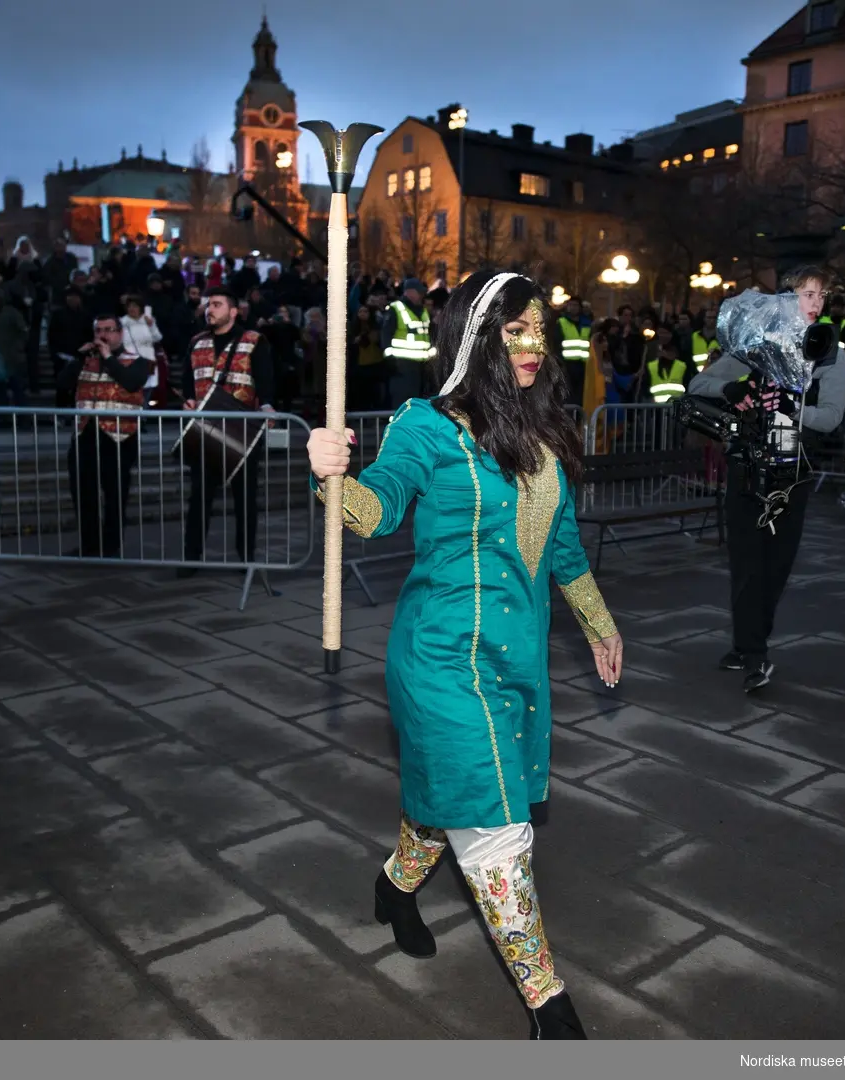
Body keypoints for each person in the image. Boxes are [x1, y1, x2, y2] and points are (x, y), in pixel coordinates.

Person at [306, 269, 623, 1040]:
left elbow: (565, 549)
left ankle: (393, 889)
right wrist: (330, 475)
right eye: (515, 329)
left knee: (450, 803)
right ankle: (553, 1012)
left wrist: (599, 625)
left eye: (539, 329)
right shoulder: (427, 426)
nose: (533, 343)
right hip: (443, 658)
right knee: (496, 826)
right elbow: (376, 511)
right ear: (477, 337)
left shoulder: (542, 433)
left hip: (515, 661)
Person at [689, 265, 845, 691]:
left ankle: (748, 642)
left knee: (776, 566)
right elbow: (699, 384)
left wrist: (788, 409)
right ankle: (754, 652)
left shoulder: (830, 350)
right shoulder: (755, 344)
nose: (815, 303)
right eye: (806, 294)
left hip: (792, 471)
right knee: (745, 561)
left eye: (820, 295)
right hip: (746, 464)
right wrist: (733, 391)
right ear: (784, 300)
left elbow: (832, 418)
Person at [177, 286, 276, 575]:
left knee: (244, 498)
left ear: (234, 311)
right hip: (204, 430)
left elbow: (266, 378)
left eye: (217, 304)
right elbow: (187, 379)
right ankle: (191, 559)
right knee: (199, 497)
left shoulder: (254, 340)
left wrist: (268, 405)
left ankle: (246, 559)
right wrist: (187, 400)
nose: (210, 309)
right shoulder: (196, 342)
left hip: (241, 428)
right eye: (209, 305)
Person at [55, 315, 148, 558]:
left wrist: (108, 357)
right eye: (99, 330)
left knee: (115, 493)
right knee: (83, 491)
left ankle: (111, 545)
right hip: (85, 433)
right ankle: (88, 544)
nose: (103, 335)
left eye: (109, 330)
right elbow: (62, 383)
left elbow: (130, 383)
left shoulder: (136, 361)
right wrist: (78, 358)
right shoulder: (85, 361)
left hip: (119, 437)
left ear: (120, 333)